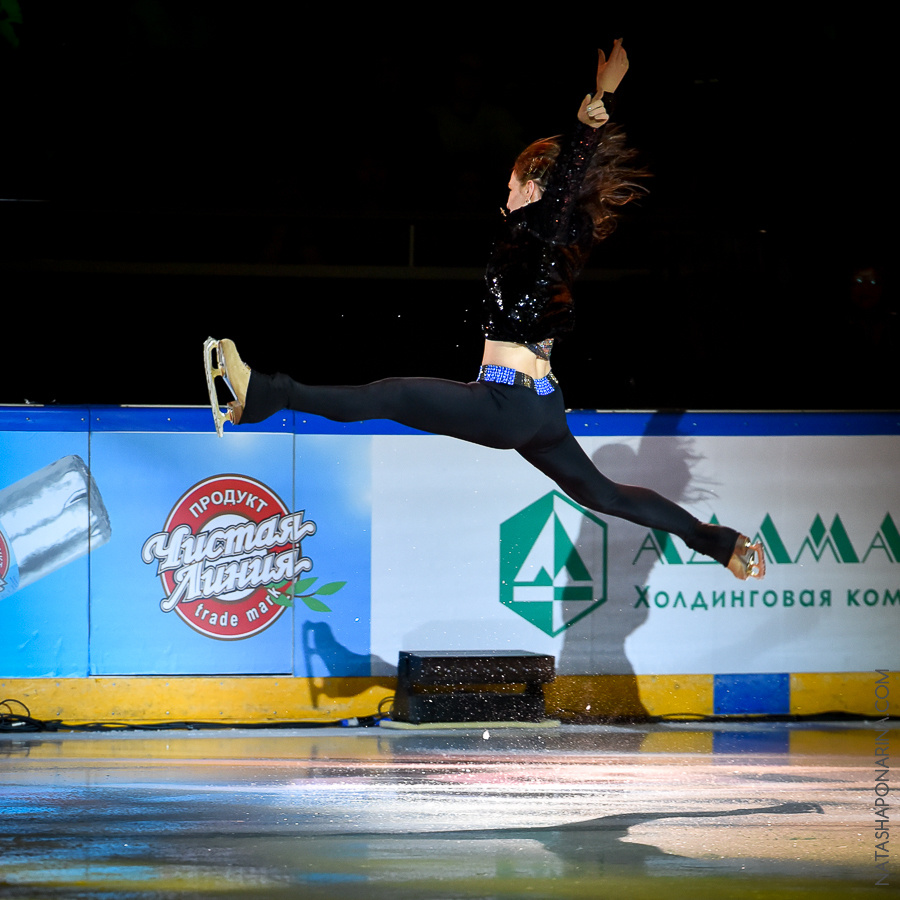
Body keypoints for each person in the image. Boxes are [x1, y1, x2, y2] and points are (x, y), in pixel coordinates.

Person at [207, 42, 765, 580]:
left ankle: (265, 393)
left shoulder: (547, 228)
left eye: (512, 187)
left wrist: (591, 119)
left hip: (509, 402)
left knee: (389, 396)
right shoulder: (554, 237)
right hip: (541, 406)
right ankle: (719, 543)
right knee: (605, 494)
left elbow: (566, 184)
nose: (506, 198)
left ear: (534, 187)